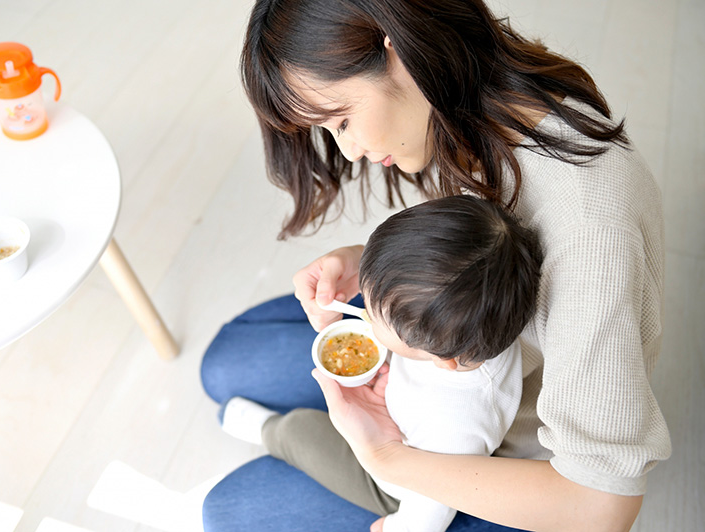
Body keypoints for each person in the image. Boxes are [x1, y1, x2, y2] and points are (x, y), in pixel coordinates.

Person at [200, 0, 672, 531]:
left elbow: (600, 508)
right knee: (223, 365)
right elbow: (474, 244)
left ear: (396, 53)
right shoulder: (472, 103)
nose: (348, 151)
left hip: (498, 452)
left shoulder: (589, 231)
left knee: (226, 511)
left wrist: (390, 459)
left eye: (342, 120)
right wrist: (369, 264)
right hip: (429, 342)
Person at [217, 195, 542, 532]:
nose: (363, 312)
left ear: (440, 358)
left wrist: (397, 527)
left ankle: (270, 431)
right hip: (397, 403)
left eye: (374, 316)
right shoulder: (472, 327)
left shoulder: (459, 428)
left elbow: (434, 502)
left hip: (400, 480)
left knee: (300, 429)